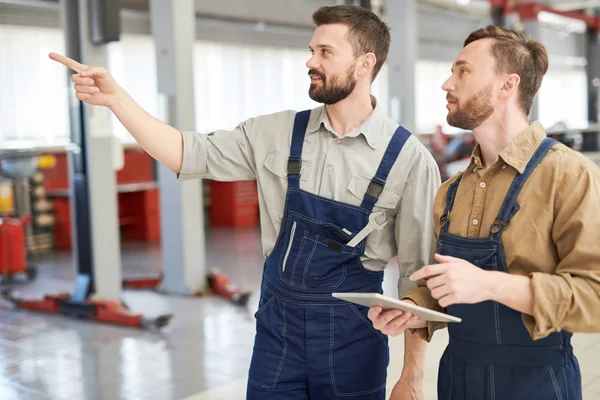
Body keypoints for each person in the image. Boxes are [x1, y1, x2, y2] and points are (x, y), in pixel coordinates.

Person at [50, 5, 441, 400]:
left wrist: (412, 375)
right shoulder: (275, 132)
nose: (310, 61)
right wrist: (118, 101)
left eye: (325, 52)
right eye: (311, 50)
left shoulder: (409, 159)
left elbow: (418, 276)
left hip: (353, 341)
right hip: (278, 333)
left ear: (365, 63)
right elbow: (189, 152)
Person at [369, 25, 600, 400]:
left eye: (463, 71)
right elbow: (441, 285)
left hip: (537, 382)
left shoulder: (569, 176)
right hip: (457, 378)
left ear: (508, 85)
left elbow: (595, 295)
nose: (447, 83)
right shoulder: (451, 192)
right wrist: (414, 307)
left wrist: (491, 285)